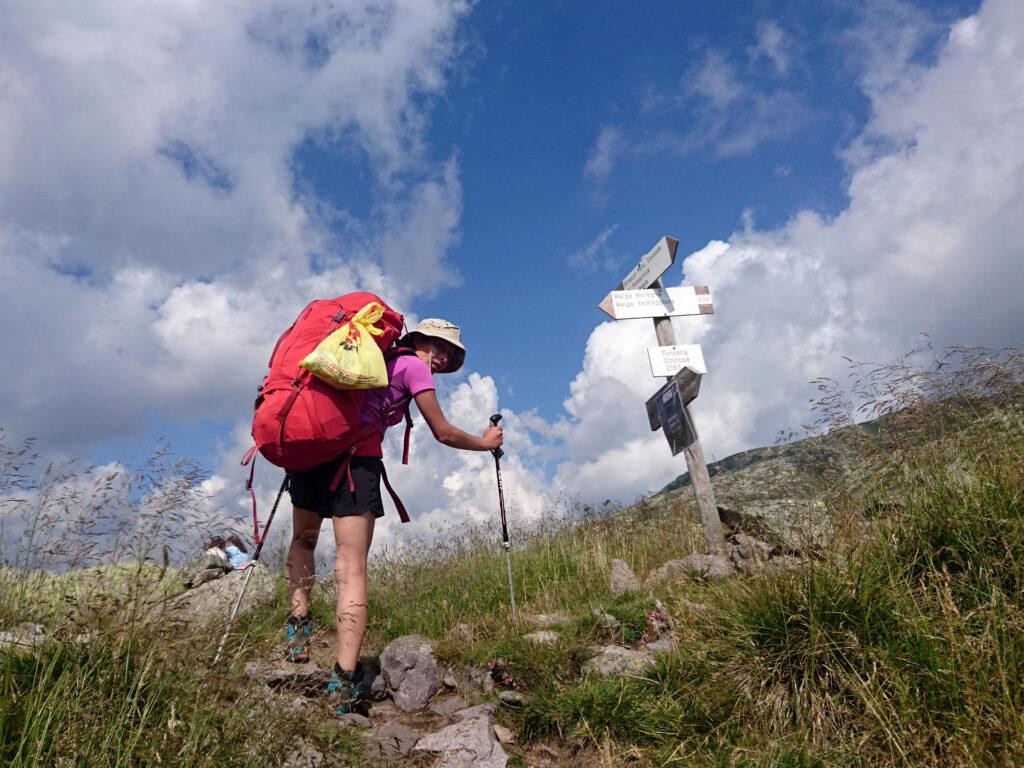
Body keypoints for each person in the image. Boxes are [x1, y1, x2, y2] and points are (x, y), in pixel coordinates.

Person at [284, 318, 503, 715]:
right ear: (420, 341)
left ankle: (297, 632)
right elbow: (444, 432)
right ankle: (343, 682)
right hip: (356, 463)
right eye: (440, 348)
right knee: (351, 568)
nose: (442, 359)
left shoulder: (367, 357)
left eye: (450, 355)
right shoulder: (412, 367)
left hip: (313, 454)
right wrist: (485, 444)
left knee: (303, 540)